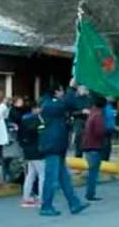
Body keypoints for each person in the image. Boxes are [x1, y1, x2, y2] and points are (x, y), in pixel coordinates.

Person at [38, 81, 90, 217]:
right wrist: (72, 88)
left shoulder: (53, 104)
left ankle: (74, 203)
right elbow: (68, 103)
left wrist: (77, 93)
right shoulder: (49, 104)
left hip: (58, 145)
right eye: (61, 91)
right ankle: (46, 206)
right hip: (52, 145)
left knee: (64, 178)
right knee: (51, 178)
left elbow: (72, 104)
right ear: (56, 92)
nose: (63, 94)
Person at [19, 102, 45, 208]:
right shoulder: (39, 121)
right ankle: (42, 198)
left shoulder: (25, 120)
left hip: (27, 150)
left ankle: (26, 198)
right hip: (37, 151)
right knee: (42, 174)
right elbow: (41, 135)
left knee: (31, 175)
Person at [82, 96, 107, 201]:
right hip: (95, 146)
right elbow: (99, 132)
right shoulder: (98, 116)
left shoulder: (92, 114)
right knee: (93, 172)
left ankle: (90, 193)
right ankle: (90, 194)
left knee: (91, 171)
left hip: (88, 145)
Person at [72, 85, 92, 158]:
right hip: (79, 120)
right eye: (82, 89)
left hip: (88, 120)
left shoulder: (90, 99)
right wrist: (81, 112)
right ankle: (78, 155)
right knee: (79, 138)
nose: (84, 91)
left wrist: (90, 112)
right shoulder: (75, 100)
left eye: (85, 89)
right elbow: (72, 112)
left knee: (89, 140)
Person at [101, 97, 118, 161]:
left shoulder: (113, 107)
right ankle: (104, 161)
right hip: (105, 130)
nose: (112, 97)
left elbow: (112, 119)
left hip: (110, 131)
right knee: (105, 147)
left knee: (108, 147)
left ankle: (105, 160)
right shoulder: (104, 107)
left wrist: (114, 126)